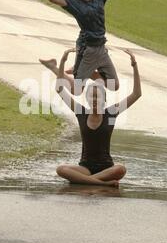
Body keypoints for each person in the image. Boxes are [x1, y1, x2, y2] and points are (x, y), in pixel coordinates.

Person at [19, 0, 147, 95]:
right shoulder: (74, 4)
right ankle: (54, 67)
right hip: (86, 49)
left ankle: (85, 71)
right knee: (77, 90)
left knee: (114, 86)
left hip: (101, 48)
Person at [52, 48, 142, 187]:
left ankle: (86, 181)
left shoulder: (111, 112)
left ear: (104, 99)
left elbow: (136, 94)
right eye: (91, 96)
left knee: (121, 169)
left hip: (107, 168)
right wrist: (63, 61)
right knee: (61, 169)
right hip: (85, 168)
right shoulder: (81, 113)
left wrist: (134, 65)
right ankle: (101, 183)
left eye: (98, 96)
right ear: (87, 99)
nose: (94, 99)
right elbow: (59, 89)